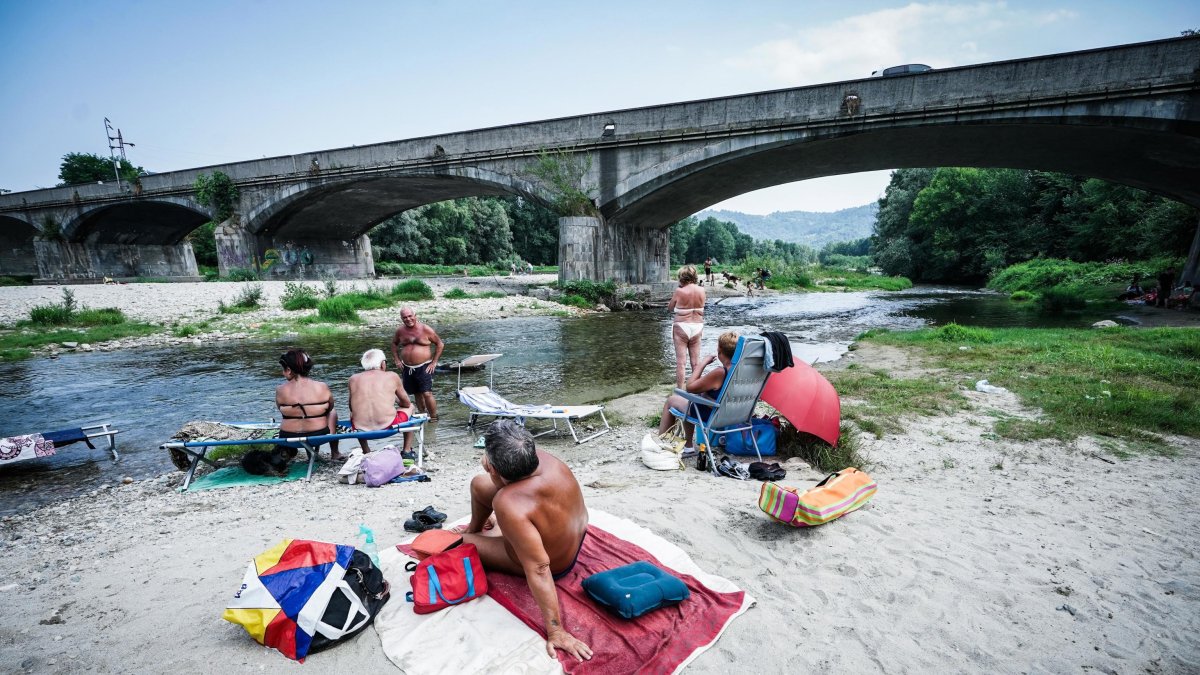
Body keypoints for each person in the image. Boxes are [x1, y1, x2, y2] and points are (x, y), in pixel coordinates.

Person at [454, 420, 592, 662]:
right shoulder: (541, 458)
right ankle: (475, 528)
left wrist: (556, 630)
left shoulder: (508, 502)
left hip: (555, 563)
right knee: (478, 484)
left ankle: (472, 536)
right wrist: (492, 474)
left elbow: (539, 568)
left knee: (456, 543)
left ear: (495, 469)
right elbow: (504, 486)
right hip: (571, 537)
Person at [658, 331, 738, 455]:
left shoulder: (720, 372)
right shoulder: (739, 370)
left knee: (672, 400)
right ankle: (688, 446)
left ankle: (661, 444)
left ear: (719, 350)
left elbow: (689, 387)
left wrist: (703, 363)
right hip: (733, 415)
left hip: (713, 416)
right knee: (693, 399)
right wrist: (705, 395)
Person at [275, 348, 341, 460]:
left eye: (284, 370)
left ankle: (310, 455)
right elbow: (330, 407)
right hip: (318, 435)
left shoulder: (280, 389)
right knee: (332, 413)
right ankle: (335, 453)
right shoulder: (322, 386)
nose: (283, 373)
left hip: (289, 436)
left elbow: (279, 409)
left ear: (289, 370)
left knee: (292, 414)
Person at [347, 349, 415, 454]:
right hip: (388, 426)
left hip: (361, 429)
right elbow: (406, 403)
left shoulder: (353, 379)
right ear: (383, 364)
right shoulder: (392, 376)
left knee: (353, 413)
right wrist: (395, 399)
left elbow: (351, 407)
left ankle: (366, 451)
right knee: (411, 407)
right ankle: (407, 451)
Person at [392, 307, 444, 422]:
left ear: (415, 315)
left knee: (427, 393)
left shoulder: (425, 329)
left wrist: (434, 362)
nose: (408, 319)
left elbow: (440, 344)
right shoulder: (400, 331)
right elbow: (394, 344)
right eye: (405, 317)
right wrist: (397, 360)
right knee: (416, 393)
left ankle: (434, 418)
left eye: (410, 316)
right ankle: (422, 416)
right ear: (401, 318)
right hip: (407, 367)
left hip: (424, 366)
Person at [667, 265, 706, 389]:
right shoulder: (702, 290)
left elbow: (670, 308)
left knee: (681, 363)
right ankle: (696, 389)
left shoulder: (679, 291)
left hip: (682, 326)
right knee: (695, 362)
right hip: (698, 326)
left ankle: (680, 390)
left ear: (682, 277)